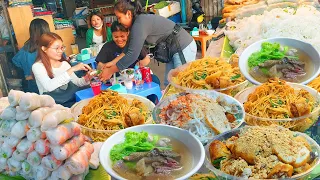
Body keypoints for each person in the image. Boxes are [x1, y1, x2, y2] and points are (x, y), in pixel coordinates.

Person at [99, 0, 197, 86]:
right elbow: (128, 49)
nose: (119, 22)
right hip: (172, 49)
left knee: (182, 83)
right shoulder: (137, 23)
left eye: (119, 17)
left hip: (182, 47)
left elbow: (132, 55)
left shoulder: (139, 24)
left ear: (128, 14)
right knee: (170, 83)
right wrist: (111, 63)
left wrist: (110, 71)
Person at [32, 32, 92, 107]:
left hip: (69, 102)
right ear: (44, 49)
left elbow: (77, 82)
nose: (60, 51)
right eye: (56, 48)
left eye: (61, 47)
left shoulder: (64, 64)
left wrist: (86, 79)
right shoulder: (37, 66)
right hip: (52, 107)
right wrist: (72, 69)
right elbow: (49, 86)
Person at [12, 19, 51, 93]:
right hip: (51, 82)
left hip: (33, 86)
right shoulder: (51, 45)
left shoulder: (25, 48)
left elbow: (15, 61)